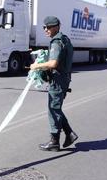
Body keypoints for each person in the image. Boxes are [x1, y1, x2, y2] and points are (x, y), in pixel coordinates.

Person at [30, 16, 78, 151]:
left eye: (48, 27)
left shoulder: (57, 42)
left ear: (56, 27)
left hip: (58, 80)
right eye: (44, 27)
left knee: (53, 109)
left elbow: (53, 63)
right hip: (64, 79)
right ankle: (69, 133)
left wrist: (36, 66)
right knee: (55, 108)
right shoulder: (65, 39)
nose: (45, 29)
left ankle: (54, 141)